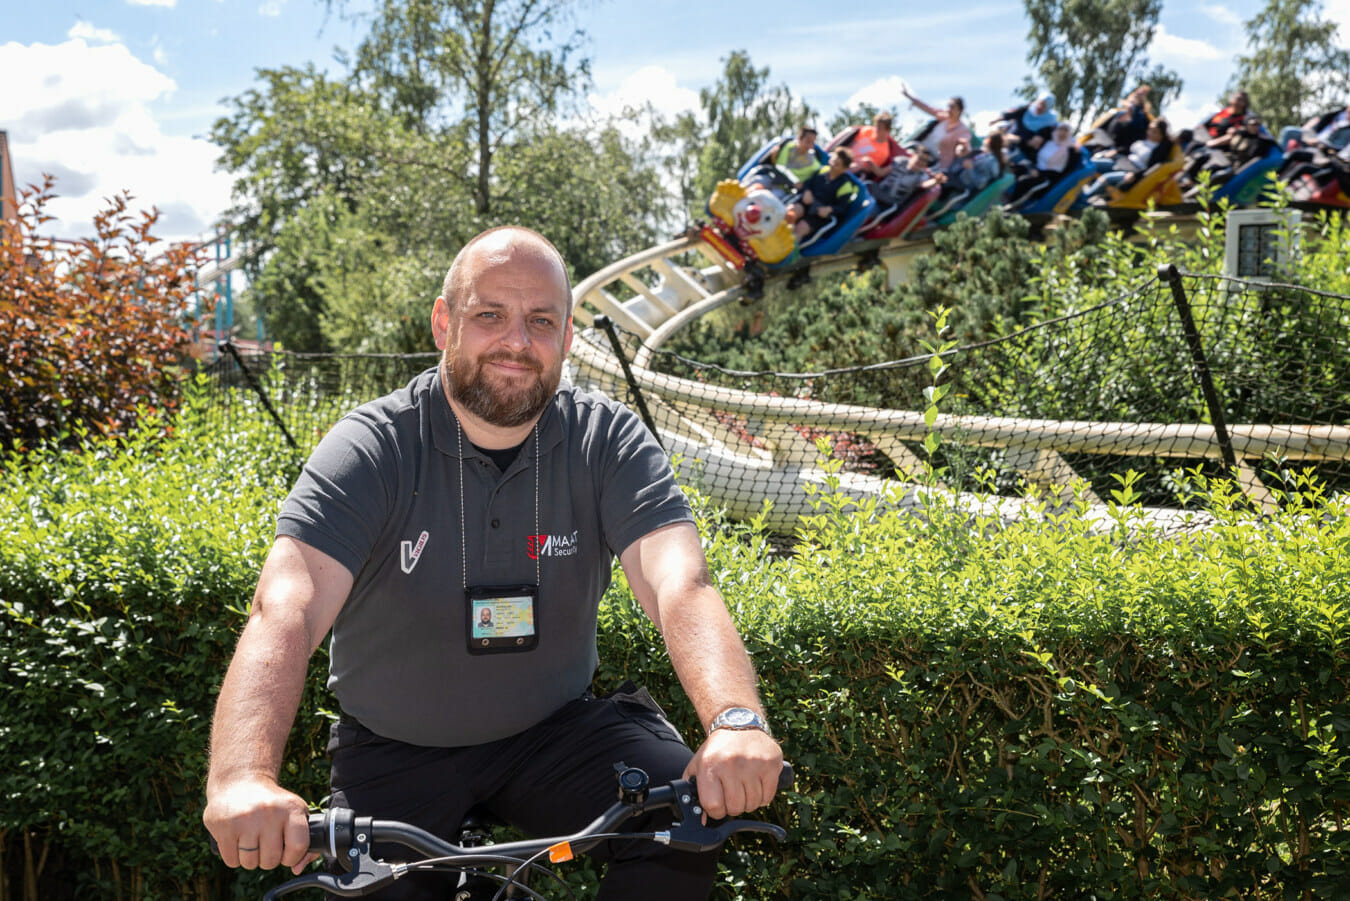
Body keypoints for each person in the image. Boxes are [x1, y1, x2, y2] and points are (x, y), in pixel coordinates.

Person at [201, 226, 784, 900]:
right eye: (489, 315)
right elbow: (285, 608)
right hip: (394, 748)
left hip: (553, 734)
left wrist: (737, 720)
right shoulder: (370, 448)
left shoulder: (608, 439)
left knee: (682, 815)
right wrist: (242, 775)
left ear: (568, 339)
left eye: (541, 320)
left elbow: (680, 582)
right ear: (444, 322)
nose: (517, 340)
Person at [1084, 118, 1173, 202]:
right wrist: (1116, 151)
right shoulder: (1143, 140)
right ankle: (1075, 192)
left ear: (1162, 135)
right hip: (1122, 162)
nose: (1149, 132)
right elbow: (1127, 149)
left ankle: (1084, 199)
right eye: (1149, 129)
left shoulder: (1160, 148)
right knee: (1093, 163)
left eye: (1154, 131)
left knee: (1107, 178)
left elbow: (1153, 167)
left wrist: (1135, 175)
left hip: (1134, 171)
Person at [788, 147, 861, 239]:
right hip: (807, 204)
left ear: (844, 169)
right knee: (791, 212)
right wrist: (807, 191)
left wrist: (829, 209)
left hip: (819, 215)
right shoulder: (822, 170)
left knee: (801, 229)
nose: (832, 165)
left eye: (837, 164)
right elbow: (807, 183)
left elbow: (842, 208)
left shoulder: (845, 186)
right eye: (832, 161)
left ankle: (786, 251)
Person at [1007, 122, 1079, 206]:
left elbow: (1065, 171)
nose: (1062, 132)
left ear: (1069, 133)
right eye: (1060, 129)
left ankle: (1011, 207)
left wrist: (1040, 174)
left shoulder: (1071, 150)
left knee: (1024, 182)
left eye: (1065, 130)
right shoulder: (1049, 142)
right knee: (1015, 170)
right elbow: (1038, 157)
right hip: (1035, 169)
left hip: (1048, 178)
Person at [902, 87, 973, 169]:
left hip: (934, 161)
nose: (949, 110)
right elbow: (928, 108)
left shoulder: (962, 130)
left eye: (952, 107)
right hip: (919, 148)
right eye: (948, 106)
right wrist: (909, 97)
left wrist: (962, 148)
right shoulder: (943, 117)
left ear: (960, 111)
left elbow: (965, 145)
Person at [846, 111, 905, 181]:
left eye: (880, 128)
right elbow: (851, 144)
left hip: (857, 170)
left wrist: (863, 163)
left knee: (854, 167)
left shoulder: (884, 151)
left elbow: (868, 169)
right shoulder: (867, 130)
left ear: (887, 130)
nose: (876, 129)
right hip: (847, 157)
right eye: (876, 126)